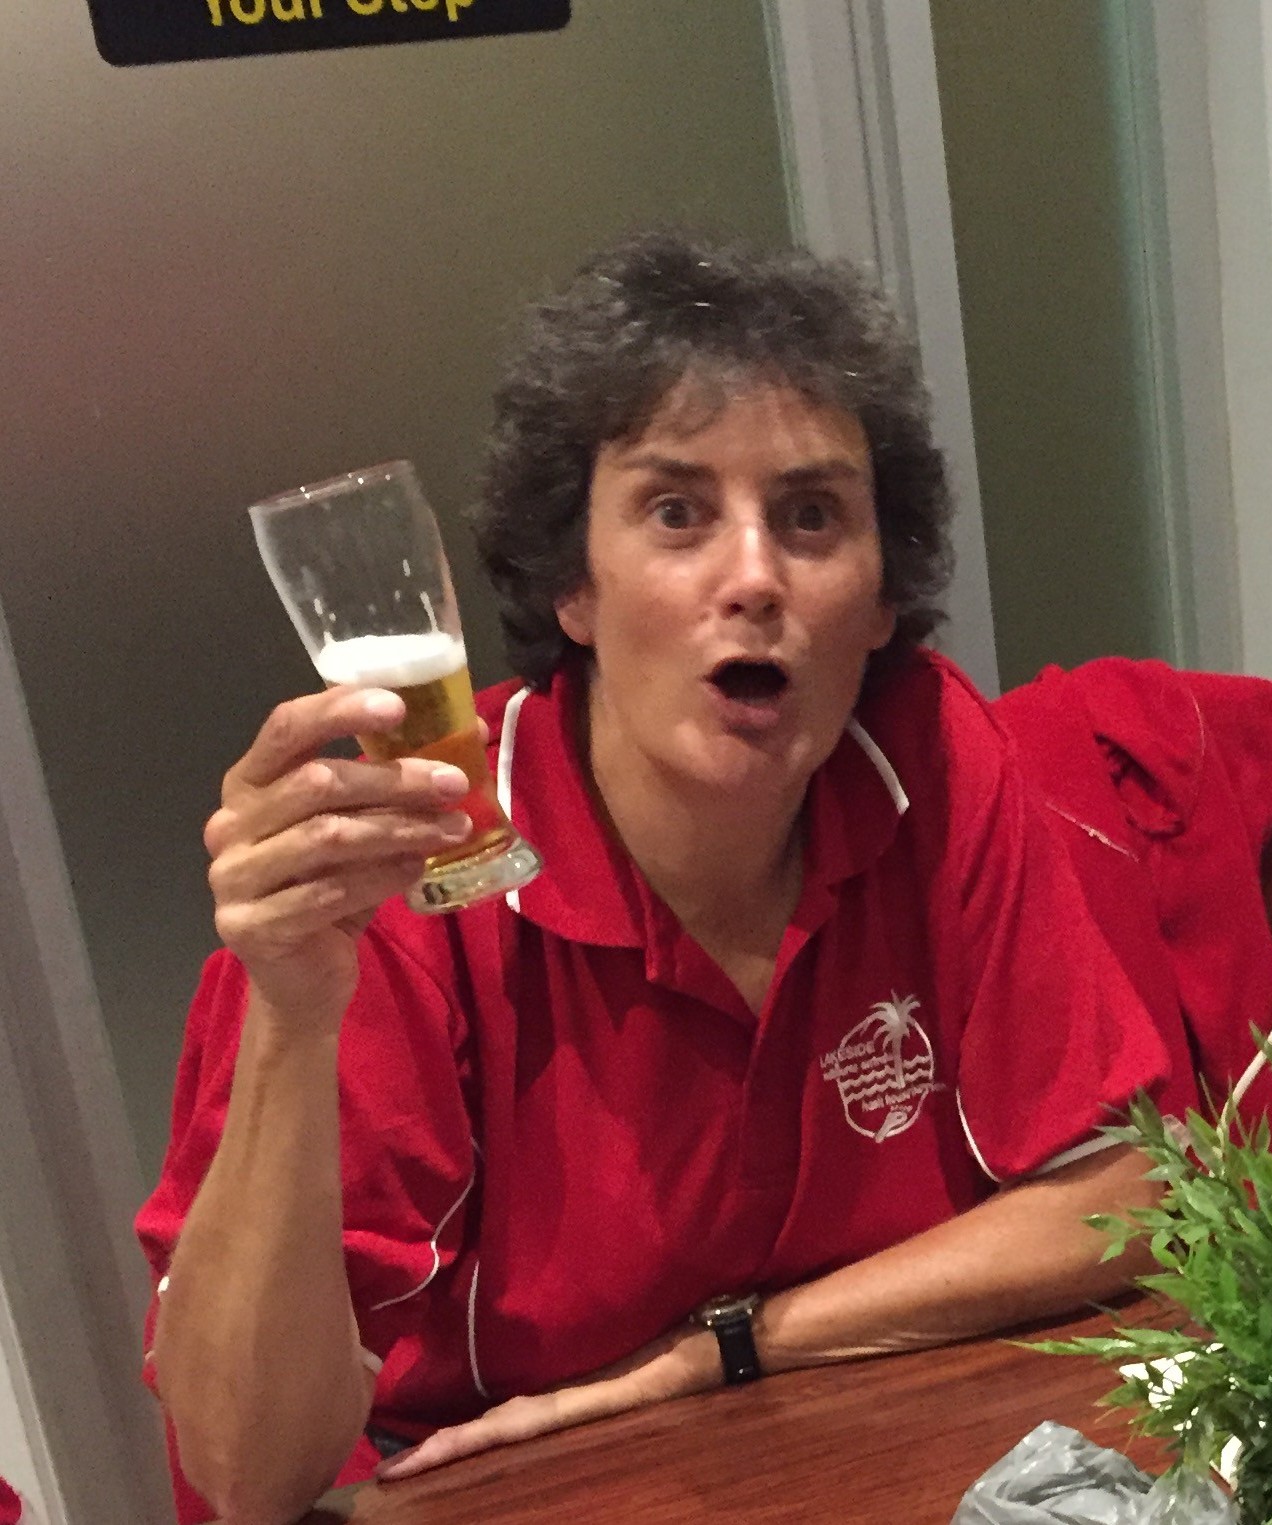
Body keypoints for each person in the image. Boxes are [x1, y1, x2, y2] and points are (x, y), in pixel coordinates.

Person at [136, 232, 1181, 1525]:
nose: (753, 578)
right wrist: (293, 1015)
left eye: (811, 515)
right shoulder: (418, 856)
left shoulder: (925, 752)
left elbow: (1130, 1195)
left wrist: (720, 1349)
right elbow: (248, 1472)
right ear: (573, 585)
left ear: (878, 600)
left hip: (858, 1455)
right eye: (677, 512)